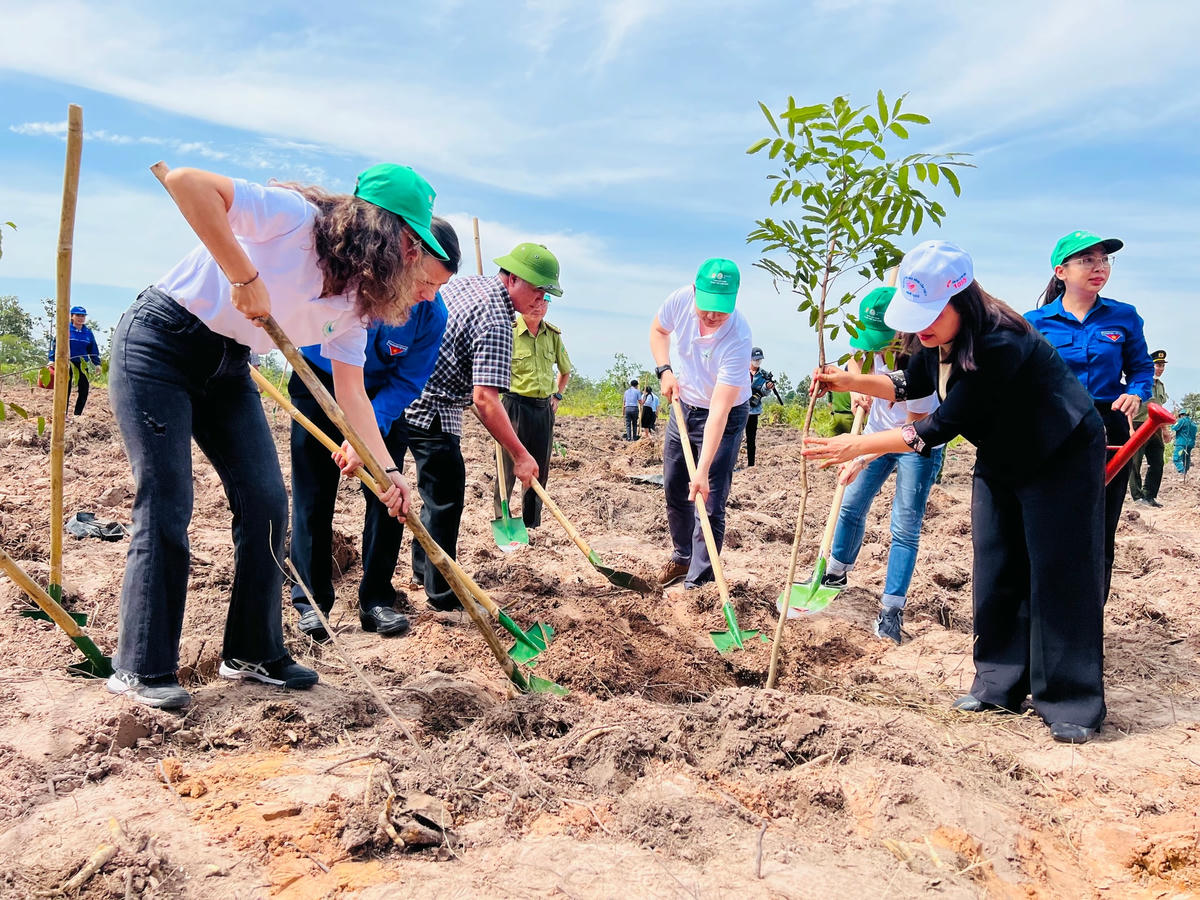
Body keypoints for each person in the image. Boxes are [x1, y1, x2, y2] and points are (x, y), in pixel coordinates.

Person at [107, 163, 445, 708]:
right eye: (411, 247)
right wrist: (243, 276)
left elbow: (353, 400)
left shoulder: (356, 308)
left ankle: (252, 651)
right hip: (160, 344)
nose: (414, 267)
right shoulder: (295, 221)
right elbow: (188, 184)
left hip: (229, 367)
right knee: (168, 499)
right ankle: (142, 667)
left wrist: (389, 474)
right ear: (381, 231)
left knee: (267, 503)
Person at [805, 241, 1106, 744]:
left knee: (1059, 573)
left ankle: (1071, 700)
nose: (919, 327)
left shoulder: (1000, 342)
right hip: (1004, 454)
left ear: (960, 299)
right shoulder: (933, 339)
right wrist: (848, 380)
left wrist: (859, 444)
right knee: (997, 563)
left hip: (1060, 454)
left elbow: (939, 425)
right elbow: (908, 383)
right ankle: (997, 684)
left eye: (929, 315)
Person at [289, 217, 458, 642]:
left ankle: (377, 597)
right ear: (406, 257)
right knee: (313, 494)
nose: (428, 295)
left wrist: (366, 434)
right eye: (426, 281)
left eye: (439, 287)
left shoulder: (432, 316)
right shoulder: (354, 288)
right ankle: (311, 602)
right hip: (319, 383)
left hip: (382, 402)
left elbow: (408, 381)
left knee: (390, 497)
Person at [404, 242, 560, 610]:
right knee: (446, 499)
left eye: (546, 293)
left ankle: (421, 569)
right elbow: (485, 400)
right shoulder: (497, 321)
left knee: (433, 494)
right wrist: (520, 454)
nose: (541, 299)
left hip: (409, 393)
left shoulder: (469, 284)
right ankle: (442, 593)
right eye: (537, 289)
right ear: (513, 279)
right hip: (433, 407)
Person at [1025, 231, 1153, 594]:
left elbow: (1141, 369)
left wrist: (1136, 393)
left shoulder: (1124, 317)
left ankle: (1089, 618)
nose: (1099, 267)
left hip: (1108, 428)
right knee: (1050, 519)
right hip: (1054, 428)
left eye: (1104, 260)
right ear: (1061, 271)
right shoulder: (1035, 322)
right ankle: (1047, 613)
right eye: (1087, 261)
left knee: (1099, 525)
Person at [819, 287, 943, 644]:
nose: (876, 348)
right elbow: (857, 357)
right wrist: (858, 384)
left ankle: (891, 610)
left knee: (904, 525)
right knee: (850, 504)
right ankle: (836, 573)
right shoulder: (867, 342)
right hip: (874, 433)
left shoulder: (919, 362)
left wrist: (861, 454)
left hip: (917, 441)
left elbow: (913, 430)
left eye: (883, 342)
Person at [650, 258, 752, 590]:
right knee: (674, 485)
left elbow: (720, 411)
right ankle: (682, 558)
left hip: (725, 415)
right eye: (706, 307)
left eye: (720, 310)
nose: (711, 316)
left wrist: (704, 468)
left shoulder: (738, 337)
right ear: (695, 291)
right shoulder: (680, 300)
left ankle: (700, 583)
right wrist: (665, 370)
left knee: (708, 501)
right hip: (684, 406)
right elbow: (658, 330)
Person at [494, 286, 572, 529]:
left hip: (542, 410)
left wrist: (556, 396)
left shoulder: (553, 335)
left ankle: (531, 523)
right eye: (536, 301)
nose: (540, 306)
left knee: (538, 468)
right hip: (513, 406)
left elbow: (565, 370)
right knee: (506, 467)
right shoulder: (508, 332)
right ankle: (503, 520)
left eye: (545, 302)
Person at [1130, 350, 1169, 506]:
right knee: (1135, 463)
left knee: (1157, 462)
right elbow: (1129, 409)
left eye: (1162, 366)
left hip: (1155, 427)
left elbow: (1160, 408)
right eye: (1158, 365)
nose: (1160, 368)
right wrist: (1130, 429)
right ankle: (1137, 497)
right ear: (1150, 365)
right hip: (1138, 425)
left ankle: (1150, 495)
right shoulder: (1138, 382)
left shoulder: (1160, 386)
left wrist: (1165, 430)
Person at [48, 305, 101, 417]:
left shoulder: (88, 333)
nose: (81, 318)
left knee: (84, 389)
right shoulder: (65, 329)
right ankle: (63, 415)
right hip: (66, 363)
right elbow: (56, 344)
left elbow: (93, 349)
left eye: (83, 316)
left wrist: (97, 364)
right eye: (78, 315)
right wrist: (51, 359)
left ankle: (77, 415)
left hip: (82, 364)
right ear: (72, 316)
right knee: (65, 389)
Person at [744, 347, 774, 466]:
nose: (757, 362)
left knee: (751, 438)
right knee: (734, 439)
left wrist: (767, 387)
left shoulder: (763, 375)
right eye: (755, 359)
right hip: (739, 409)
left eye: (759, 360)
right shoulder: (741, 371)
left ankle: (751, 464)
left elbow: (765, 393)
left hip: (753, 411)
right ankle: (732, 465)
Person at [1173, 409, 1196, 475]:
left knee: (1176, 458)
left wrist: (1175, 421)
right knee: (1186, 459)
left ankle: (1182, 472)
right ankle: (1186, 471)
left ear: (1181, 415)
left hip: (1181, 442)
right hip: (1190, 444)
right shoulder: (1193, 423)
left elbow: (1174, 427)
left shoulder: (1182, 420)